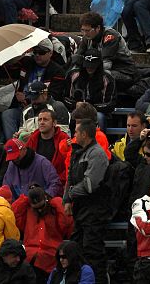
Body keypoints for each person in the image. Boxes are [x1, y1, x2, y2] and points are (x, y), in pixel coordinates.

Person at [64, 118, 109, 284]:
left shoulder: (97, 154)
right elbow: (70, 177)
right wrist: (67, 199)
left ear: (84, 134)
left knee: (93, 253)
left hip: (94, 211)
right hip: (81, 210)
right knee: (77, 250)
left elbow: (90, 184)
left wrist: (71, 193)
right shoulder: (79, 152)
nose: (74, 135)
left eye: (76, 132)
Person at [12, 184, 73, 282]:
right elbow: (14, 214)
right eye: (36, 208)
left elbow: (66, 222)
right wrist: (25, 198)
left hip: (50, 257)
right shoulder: (27, 210)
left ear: (46, 199)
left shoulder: (55, 210)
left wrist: (56, 201)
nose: (40, 210)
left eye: (41, 206)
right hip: (30, 257)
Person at [73, 11, 136, 88]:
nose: (85, 33)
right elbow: (77, 57)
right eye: (83, 30)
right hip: (101, 69)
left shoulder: (110, 36)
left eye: (88, 30)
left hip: (123, 72)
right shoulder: (87, 37)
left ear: (98, 28)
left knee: (100, 77)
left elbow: (106, 64)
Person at [25, 109, 70, 185]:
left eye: (45, 119)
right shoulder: (33, 138)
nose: (41, 122)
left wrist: (57, 181)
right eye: (39, 120)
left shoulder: (64, 139)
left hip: (57, 183)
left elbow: (68, 166)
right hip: (34, 182)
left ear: (54, 123)